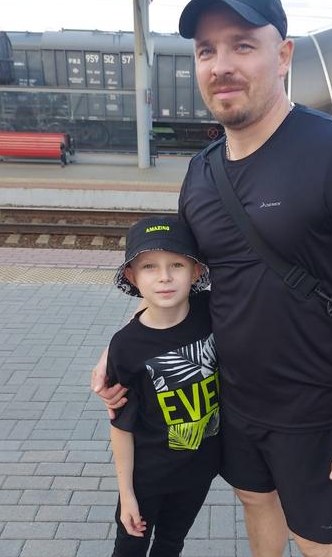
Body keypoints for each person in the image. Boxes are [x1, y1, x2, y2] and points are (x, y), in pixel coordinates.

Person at [93, 0, 332, 557]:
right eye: (207, 50)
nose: (221, 65)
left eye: (243, 45)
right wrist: (127, 341)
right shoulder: (201, 173)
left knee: (315, 538)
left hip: (313, 405)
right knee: (253, 499)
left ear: (283, 55)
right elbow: (190, 280)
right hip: (234, 396)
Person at [106, 216, 220, 557]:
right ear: (132, 276)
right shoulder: (126, 346)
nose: (164, 277)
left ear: (196, 271)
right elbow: (120, 425)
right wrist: (127, 494)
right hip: (147, 477)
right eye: (149, 267)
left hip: (199, 471)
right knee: (130, 549)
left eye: (177, 265)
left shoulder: (211, 310)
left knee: (171, 544)